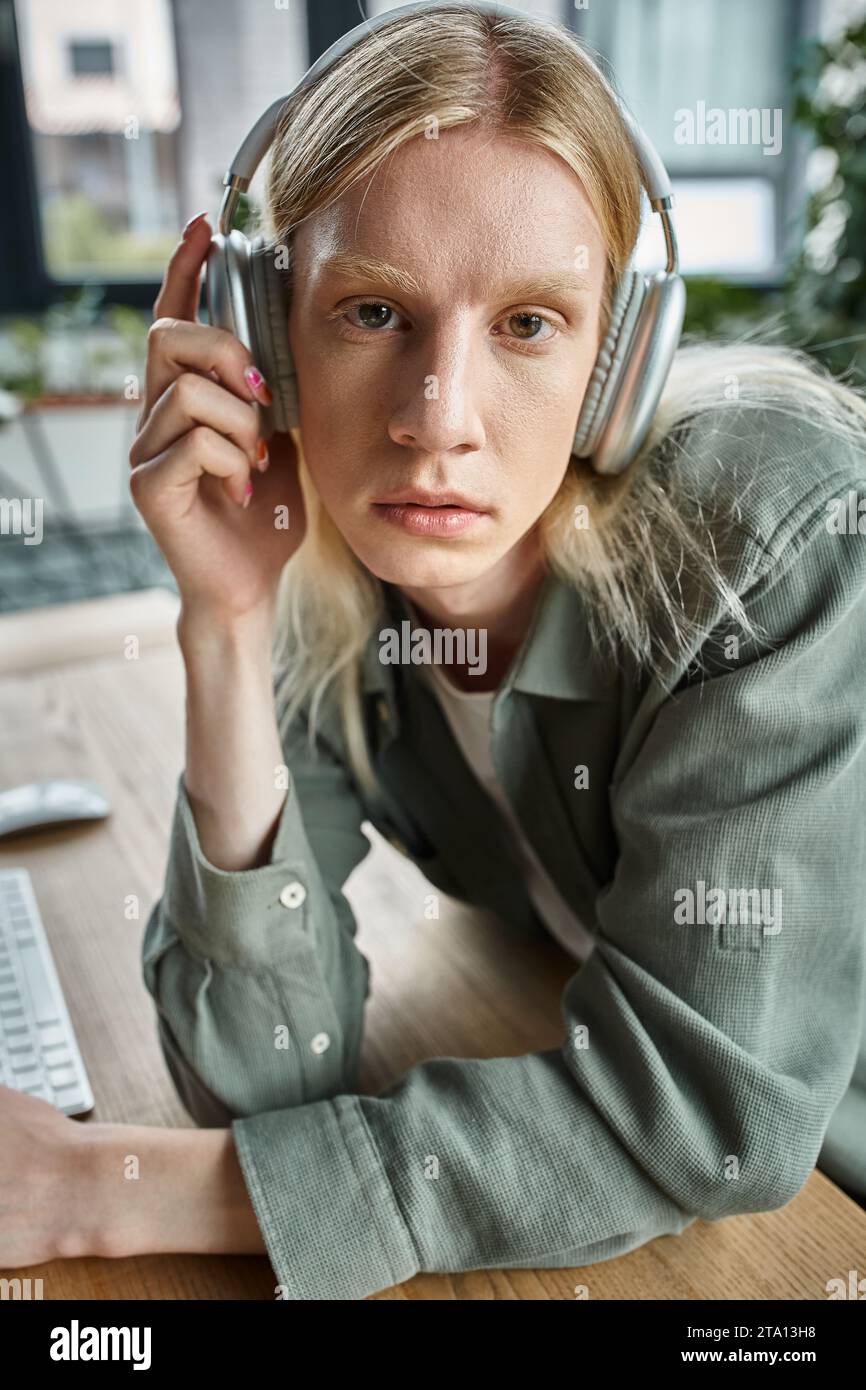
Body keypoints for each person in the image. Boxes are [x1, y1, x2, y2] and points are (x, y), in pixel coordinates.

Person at [2, 4, 865, 1297]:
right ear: (264, 331)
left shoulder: (768, 533)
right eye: (369, 312)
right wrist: (227, 626)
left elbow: (711, 1115)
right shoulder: (332, 567)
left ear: (617, 364)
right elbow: (267, 1073)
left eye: (526, 324)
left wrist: (100, 1191)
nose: (434, 421)